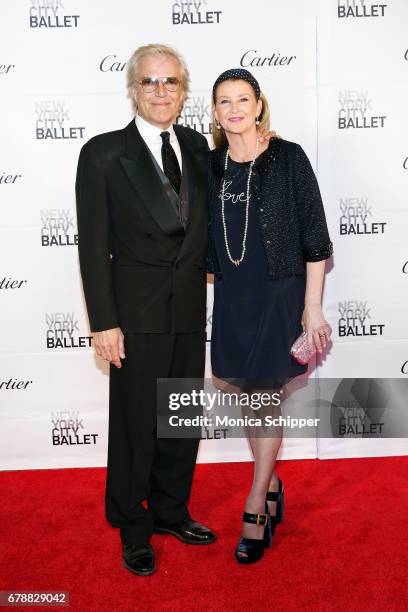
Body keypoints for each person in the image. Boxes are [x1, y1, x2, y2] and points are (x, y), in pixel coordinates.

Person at [75, 44, 217, 577]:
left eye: (171, 82)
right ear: (133, 89)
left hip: (187, 306)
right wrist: (103, 322)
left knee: (180, 415)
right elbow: (92, 245)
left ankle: (170, 511)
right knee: (136, 424)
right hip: (133, 315)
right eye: (151, 83)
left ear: (183, 90)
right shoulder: (103, 153)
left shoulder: (199, 146)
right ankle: (132, 526)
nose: (161, 92)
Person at [207, 68, 333, 564]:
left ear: (259, 105)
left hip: (281, 297)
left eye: (243, 99)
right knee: (246, 393)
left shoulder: (288, 158)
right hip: (233, 298)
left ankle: (257, 502)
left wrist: (313, 305)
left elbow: (316, 238)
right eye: (224, 102)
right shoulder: (210, 167)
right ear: (215, 113)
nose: (235, 109)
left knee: (264, 398)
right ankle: (273, 480)